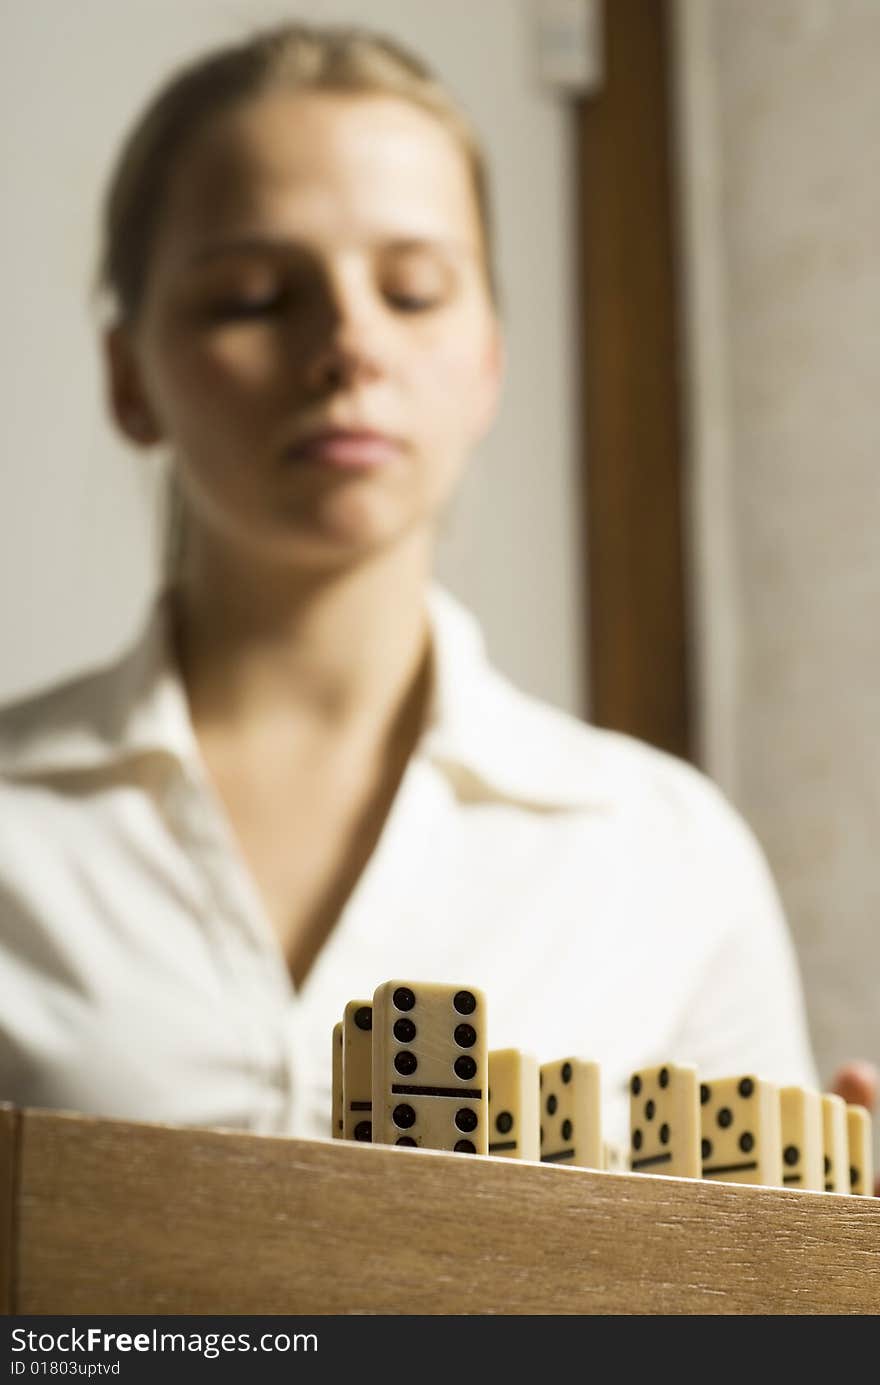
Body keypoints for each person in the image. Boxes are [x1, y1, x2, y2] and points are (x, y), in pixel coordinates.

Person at [0, 21, 874, 1167]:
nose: (349, 344)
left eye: (412, 291)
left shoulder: (663, 855)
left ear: (490, 360)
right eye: (257, 296)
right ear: (129, 376)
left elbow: (757, 1338)